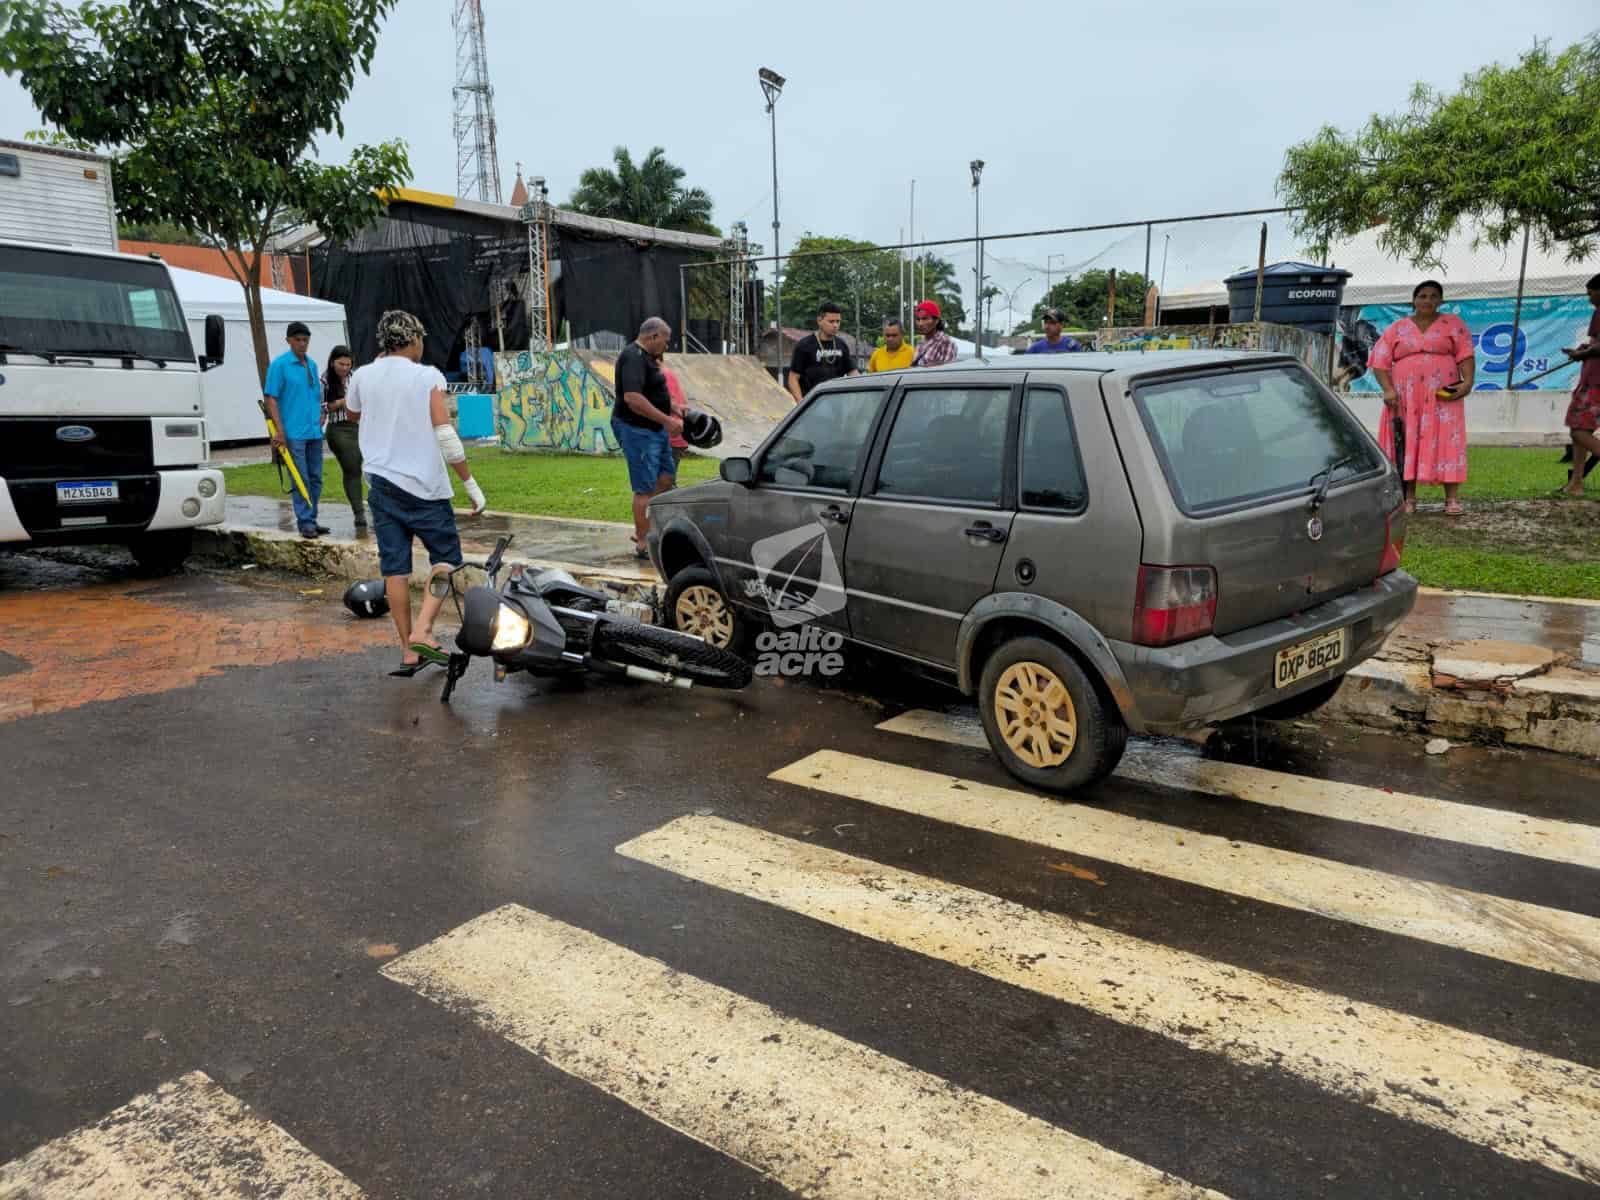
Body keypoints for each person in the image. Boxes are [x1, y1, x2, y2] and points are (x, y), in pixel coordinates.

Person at [344, 310, 463, 673]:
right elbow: (445, 433)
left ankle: (408, 650)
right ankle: (424, 629)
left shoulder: (362, 375)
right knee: (446, 558)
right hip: (425, 486)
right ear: (412, 340)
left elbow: (352, 414)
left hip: (381, 484)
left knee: (395, 568)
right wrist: (470, 483)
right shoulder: (427, 376)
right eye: (421, 339)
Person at [1369, 280, 1475, 515]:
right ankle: (1408, 498)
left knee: (1448, 440)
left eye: (1434, 296)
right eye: (1423, 296)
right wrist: (1388, 389)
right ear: (1414, 300)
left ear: (1441, 300)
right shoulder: (1397, 327)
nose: (1428, 300)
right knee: (1407, 441)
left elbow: (1466, 354)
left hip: (1443, 396)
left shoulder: (1453, 324)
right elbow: (1379, 360)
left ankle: (1451, 499)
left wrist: (1467, 382)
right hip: (1405, 398)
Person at [612, 317, 682, 558]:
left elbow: (653, 392)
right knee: (644, 488)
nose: (667, 345)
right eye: (665, 340)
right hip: (636, 429)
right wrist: (667, 421)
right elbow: (633, 398)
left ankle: (648, 528)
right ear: (653, 336)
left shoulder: (650, 359)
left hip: (655, 429)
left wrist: (675, 408)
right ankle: (643, 543)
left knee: (666, 478)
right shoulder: (632, 357)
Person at [263, 321, 327, 539]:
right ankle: (305, 522)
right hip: (292, 432)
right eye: (298, 340)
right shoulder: (280, 365)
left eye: (305, 340)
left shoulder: (312, 364)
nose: (302, 344)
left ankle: (312, 518)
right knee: (300, 478)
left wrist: (321, 412)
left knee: (316, 477)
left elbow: (316, 396)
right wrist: (279, 430)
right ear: (289, 340)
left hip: (314, 431)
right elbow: (271, 398)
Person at [1559, 272, 1600, 495]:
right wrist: (1585, 349)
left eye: (1591, 293)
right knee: (1580, 431)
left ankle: (1576, 482)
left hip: (1595, 382)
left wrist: (1582, 354)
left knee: (1578, 431)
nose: (1589, 297)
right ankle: (1576, 482)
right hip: (1591, 380)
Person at [321, 344, 365, 530]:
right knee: (352, 467)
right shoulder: (324, 380)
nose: (345, 368)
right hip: (339, 428)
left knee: (372, 467)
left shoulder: (357, 377)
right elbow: (321, 406)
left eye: (348, 364)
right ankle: (359, 513)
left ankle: (378, 507)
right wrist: (340, 402)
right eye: (341, 364)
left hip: (361, 427)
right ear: (333, 362)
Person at [786, 302, 858, 403]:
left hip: (838, 402)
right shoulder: (804, 345)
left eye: (838, 321)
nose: (835, 325)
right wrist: (801, 402)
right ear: (819, 320)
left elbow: (852, 372)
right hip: (813, 403)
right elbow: (793, 378)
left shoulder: (841, 344)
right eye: (831, 321)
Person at [911, 301, 958, 367]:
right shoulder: (920, 342)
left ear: (936, 320)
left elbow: (947, 371)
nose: (920, 324)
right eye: (918, 319)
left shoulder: (946, 343)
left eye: (925, 319)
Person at [664, 364, 691, 467]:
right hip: (675, 435)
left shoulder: (663, 375)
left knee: (663, 475)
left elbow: (670, 402)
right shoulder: (668, 374)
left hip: (671, 436)